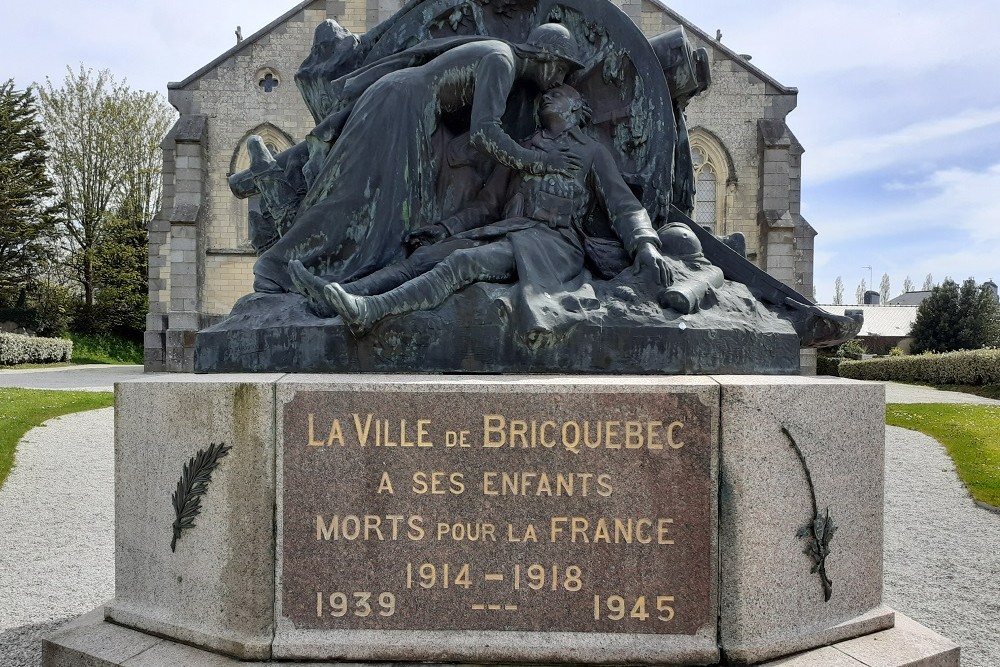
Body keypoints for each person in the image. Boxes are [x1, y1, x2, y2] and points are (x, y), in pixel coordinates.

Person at [289, 84, 675, 344]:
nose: (545, 99)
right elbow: (488, 204)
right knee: (422, 258)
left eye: (555, 95)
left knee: (464, 262)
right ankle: (332, 297)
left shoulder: (592, 153)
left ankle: (370, 310)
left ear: (575, 108)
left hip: (552, 245)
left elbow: (625, 207)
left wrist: (647, 247)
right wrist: (444, 226)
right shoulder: (522, 149)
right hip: (509, 231)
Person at [251, 23, 587, 294]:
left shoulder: (502, 60)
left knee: (385, 209)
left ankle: (342, 280)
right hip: (400, 105)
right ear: (546, 56)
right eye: (561, 69)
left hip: (413, 112)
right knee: (355, 194)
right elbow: (485, 132)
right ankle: (276, 267)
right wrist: (539, 162)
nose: (560, 79)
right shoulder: (501, 61)